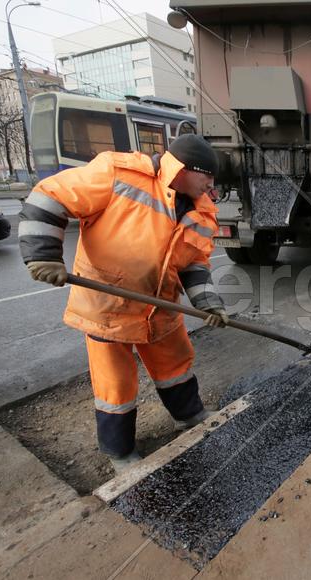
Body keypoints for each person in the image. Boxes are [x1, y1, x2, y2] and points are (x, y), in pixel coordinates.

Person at [19, 134, 229, 470]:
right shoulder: (119, 174)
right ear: (185, 168)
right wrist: (43, 255)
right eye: (208, 176)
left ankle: (190, 415)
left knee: (175, 364)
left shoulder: (202, 213)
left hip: (161, 307)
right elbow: (49, 196)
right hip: (109, 306)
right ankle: (119, 451)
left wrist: (209, 304)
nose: (211, 185)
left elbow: (193, 265)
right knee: (115, 383)